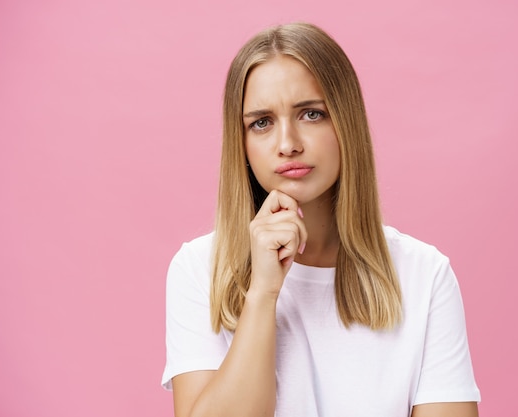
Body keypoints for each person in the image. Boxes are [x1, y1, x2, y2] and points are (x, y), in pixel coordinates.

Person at [162, 22, 481, 417]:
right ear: (241, 143)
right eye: (261, 122)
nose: (287, 144)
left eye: (311, 114)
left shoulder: (425, 276)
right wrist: (262, 293)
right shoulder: (198, 270)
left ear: (346, 122)